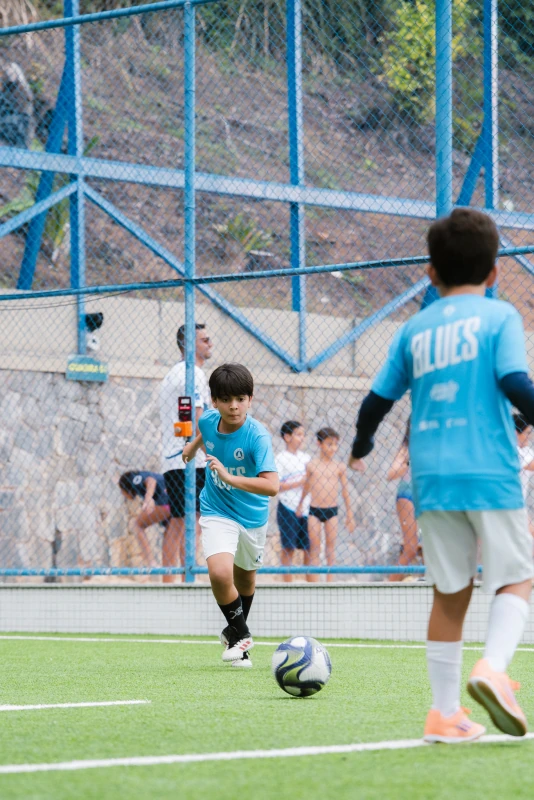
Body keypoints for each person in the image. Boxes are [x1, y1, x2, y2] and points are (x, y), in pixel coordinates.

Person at [349, 207, 534, 743]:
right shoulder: (499, 317)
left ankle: (444, 714)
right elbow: (515, 384)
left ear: (430, 273)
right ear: (494, 273)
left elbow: (375, 403)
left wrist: (361, 447)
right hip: (488, 468)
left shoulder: (414, 329)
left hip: (431, 478)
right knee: (516, 576)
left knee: (450, 592)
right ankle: (493, 668)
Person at [182, 363, 279, 667]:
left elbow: (272, 486)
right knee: (221, 574)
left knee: (245, 580)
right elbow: (206, 432)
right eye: (225, 400)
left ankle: (236, 638)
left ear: (250, 399)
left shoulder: (257, 437)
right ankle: (243, 636)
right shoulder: (209, 419)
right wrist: (192, 446)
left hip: (252, 516)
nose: (233, 406)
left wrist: (229, 476)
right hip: (217, 508)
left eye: (240, 399)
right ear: (214, 401)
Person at [159, 323, 212, 583]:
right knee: (188, 520)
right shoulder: (193, 374)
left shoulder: (174, 374)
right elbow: (197, 418)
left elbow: (185, 415)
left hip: (176, 456)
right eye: (205, 340)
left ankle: (176, 577)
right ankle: (182, 577)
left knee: (181, 520)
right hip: (189, 458)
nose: (210, 344)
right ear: (189, 345)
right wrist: (212, 453)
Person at [296, 427, 357, 582]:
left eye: (335, 444)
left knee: (330, 548)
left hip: (332, 511)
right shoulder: (312, 465)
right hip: (314, 510)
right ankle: (314, 583)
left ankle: (330, 583)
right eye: (329, 444)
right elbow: (307, 486)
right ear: (319, 444)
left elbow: (345, 491)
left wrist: (349, 514)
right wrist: (300, 504)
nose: (333, 448)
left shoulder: (339, 467)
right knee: (314, 548)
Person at [275, 421, 311, 583]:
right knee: (288, 547)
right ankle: (287, 582)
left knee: (308, 548)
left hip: (306, 507)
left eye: (303, 435)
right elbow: (276, 486)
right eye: (298, 434)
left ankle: (310, 582)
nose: (302, 438)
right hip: (287, 506)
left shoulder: (306, 458)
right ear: (287, 437)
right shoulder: (280, 459)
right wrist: (300, 482)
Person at [386, 421, 421, 581]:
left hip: (426, 496)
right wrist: (408, 462)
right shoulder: (406, 448)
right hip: (407, 495)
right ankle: (389, 586)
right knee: (411, 548)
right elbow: (391, 474)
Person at [119, 471, 170, 567]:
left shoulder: (134, 478)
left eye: (122, 492)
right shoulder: (142, 481)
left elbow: (151, 480)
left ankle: (151, 562)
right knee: (169, 538)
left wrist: (148, 498)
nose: (123, 495)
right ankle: (170, 570)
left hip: (166, 502)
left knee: (137, 525)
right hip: (174, 502)